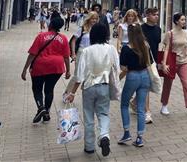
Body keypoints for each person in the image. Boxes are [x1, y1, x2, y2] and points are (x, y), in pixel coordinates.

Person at [65, 23, 119, 156]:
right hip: (104, 85)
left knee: (88, 116)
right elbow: (116, 68)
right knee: (103, 114)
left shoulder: (86, 51)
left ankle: (89, 146)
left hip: (88, 87)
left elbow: (79, 75)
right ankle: (104, 135)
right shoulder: (111, 49)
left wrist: (72, 92)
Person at [21, 15, 71, 123]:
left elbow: (32, 54)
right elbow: (66, 57)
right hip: (56, 67)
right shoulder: (63, 38)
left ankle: (41, 107)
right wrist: (68, 70)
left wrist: (25, 69)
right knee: (49, 89)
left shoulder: (41, 36)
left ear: (51, 24)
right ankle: (46, 113)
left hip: (40, 66)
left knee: (37, 89)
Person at [160, 13, 187, 118]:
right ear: (177, 21)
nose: (184, 22)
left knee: (186, 84)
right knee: (167, 84)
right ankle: (164, 105)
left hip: (183, 62)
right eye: (182, 20)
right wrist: (164, 64)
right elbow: (166, 49)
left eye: (184, 20)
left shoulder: (186, 33)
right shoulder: (170, 34)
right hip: (172, 63)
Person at [118, 24, 152, 148]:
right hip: (145, 76)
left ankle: (127, 132)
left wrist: (117, 80)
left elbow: (123, 68)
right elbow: (149, 62)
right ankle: (139, 137)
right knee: (141, 107)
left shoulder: (126, 49)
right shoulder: (146, 46)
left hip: (132, 76)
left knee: (124, 104)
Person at [66, 11, 100, 93]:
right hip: (81, 52)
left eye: (96, 19)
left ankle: (85, 91)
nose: (94, 20)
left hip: (93, 54)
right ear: (89, 19)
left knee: (89, 74)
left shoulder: (97, 29)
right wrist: (73, 53)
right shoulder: (82, 28)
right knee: (77, 75)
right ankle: (68, 92)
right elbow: (73, 41)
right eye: (92, 18)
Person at [139, 8, 161, 124]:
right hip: (143, 61)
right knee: (146, 86)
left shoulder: (158, 29)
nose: (156, 17)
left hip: (153, 61)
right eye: (154, 15)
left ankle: (134, 102)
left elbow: (157, 46)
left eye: (157, 15)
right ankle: (147, 112)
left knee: (148, 85)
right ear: (147, 15)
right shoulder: (141, 29)